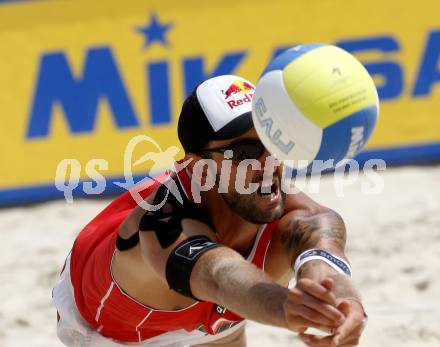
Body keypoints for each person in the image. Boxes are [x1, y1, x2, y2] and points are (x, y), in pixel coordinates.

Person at [53, 75, 367, 347]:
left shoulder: (288, 208)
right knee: (231, 287)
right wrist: (285, 306)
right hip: (116, 331)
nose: (267, 161)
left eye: (274, 141)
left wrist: (342, 299)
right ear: (200, 168)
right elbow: (218, 275)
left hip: (216, 313)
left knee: (233, 307)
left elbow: (321, 245)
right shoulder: (161, 222)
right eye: (244, 152)